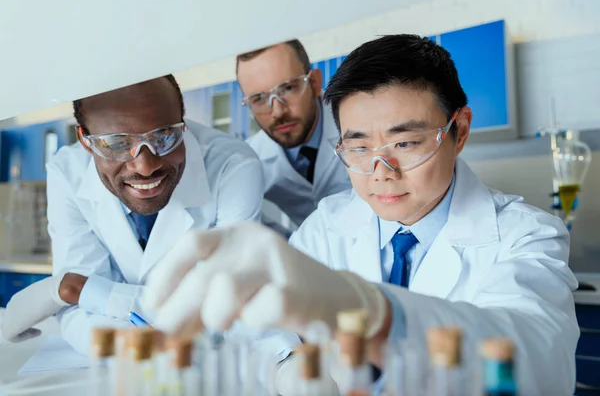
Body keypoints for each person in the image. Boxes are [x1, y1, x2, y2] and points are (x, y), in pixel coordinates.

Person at [141, 35, 579, 395]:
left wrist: (377, 314)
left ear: (459, 130)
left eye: (405, 143)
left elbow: (535, 359)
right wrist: (288, 366)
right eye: (358, 148)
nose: (381, 172)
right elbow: (267, 336)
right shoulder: (327, 225)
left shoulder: (527, 234)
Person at [0, 75, 277, 354]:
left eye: (164, 136)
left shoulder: (233, 166)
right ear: (85, 140)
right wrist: (141, 346)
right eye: (118, 143)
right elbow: (76, 316)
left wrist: (84, 290)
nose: (145, 166)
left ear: (184, 124)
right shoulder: (67, 172)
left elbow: (227, 307)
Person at [236, 39, 352, 235]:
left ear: (314, 83)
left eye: (288, 88)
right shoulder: (252, 158)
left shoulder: (356, 126)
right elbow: (240, 224)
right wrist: (292, 247)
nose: (278, 111)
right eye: (259, 99)